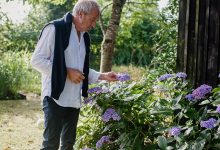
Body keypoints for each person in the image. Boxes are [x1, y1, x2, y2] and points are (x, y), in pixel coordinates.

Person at [30, 0, 117, 149]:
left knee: (68, 145)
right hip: (54, 97)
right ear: (81, 14)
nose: (94, 25)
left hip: (74, 100)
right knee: (50, 145)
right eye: (92, 19)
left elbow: (79, 71)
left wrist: (103, 76)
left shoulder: (84, 37)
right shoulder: (55, 28)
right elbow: (36, 60)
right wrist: (66, 72)